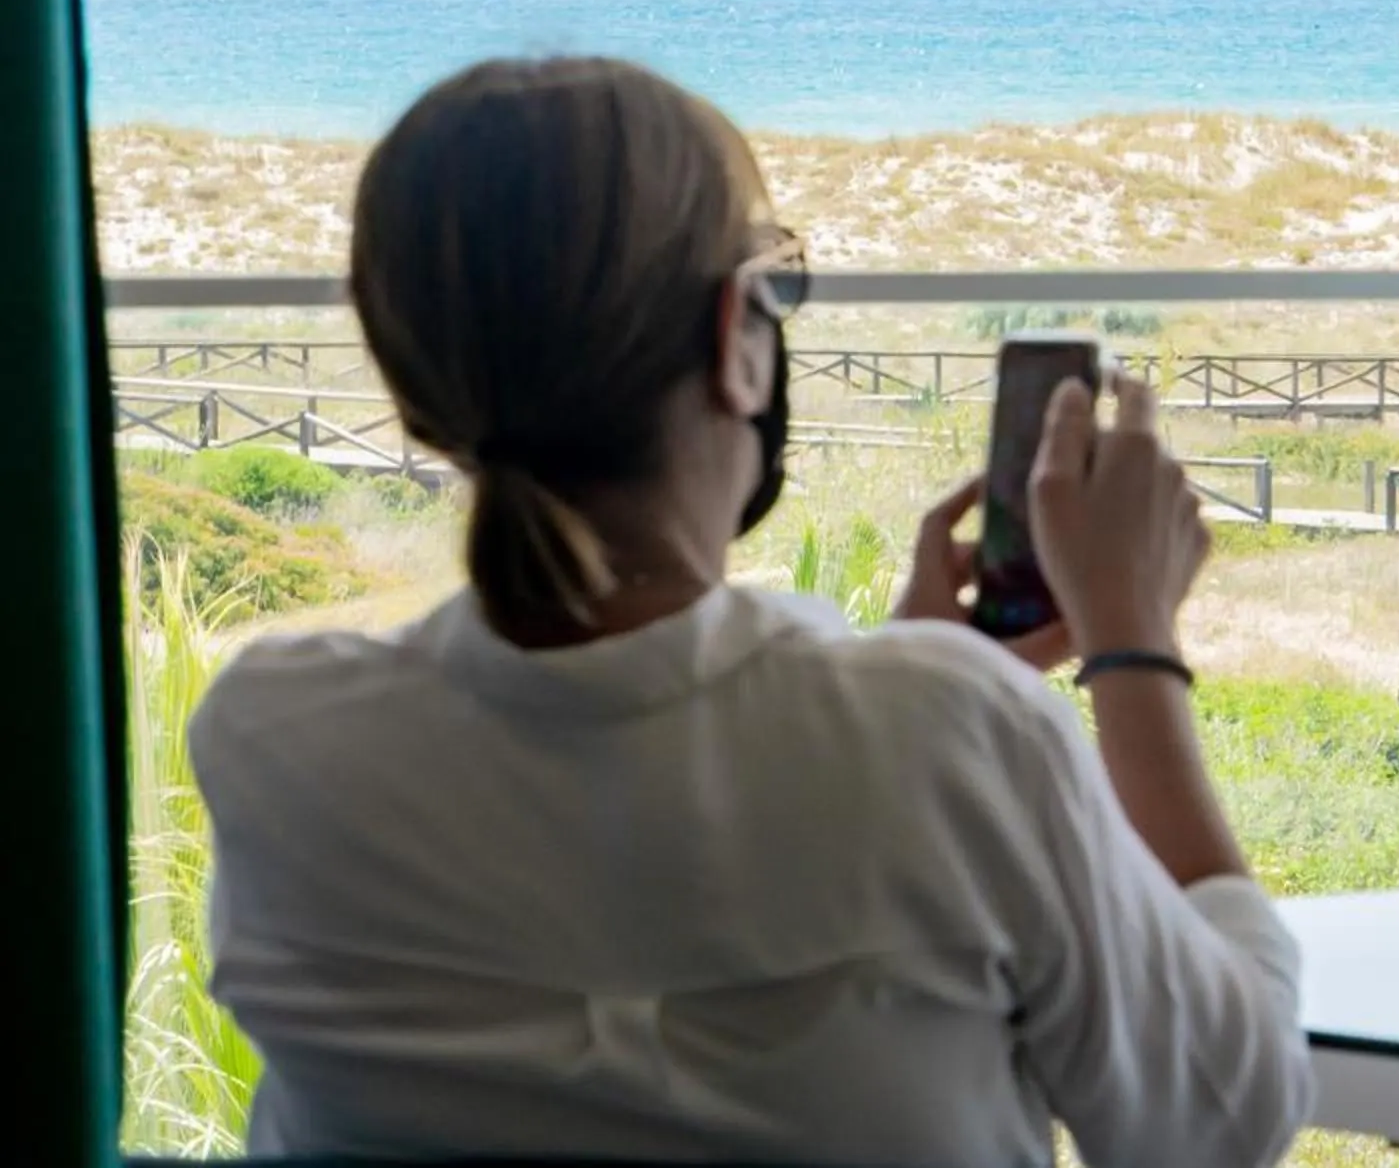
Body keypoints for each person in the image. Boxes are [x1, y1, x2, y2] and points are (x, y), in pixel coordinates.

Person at [189, 57, 1311, 1167]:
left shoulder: (277, 737)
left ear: (411, 382)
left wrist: (915, 685)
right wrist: (1132, 648)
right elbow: (1221, 1123)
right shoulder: (950, 735)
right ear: (736, 338)